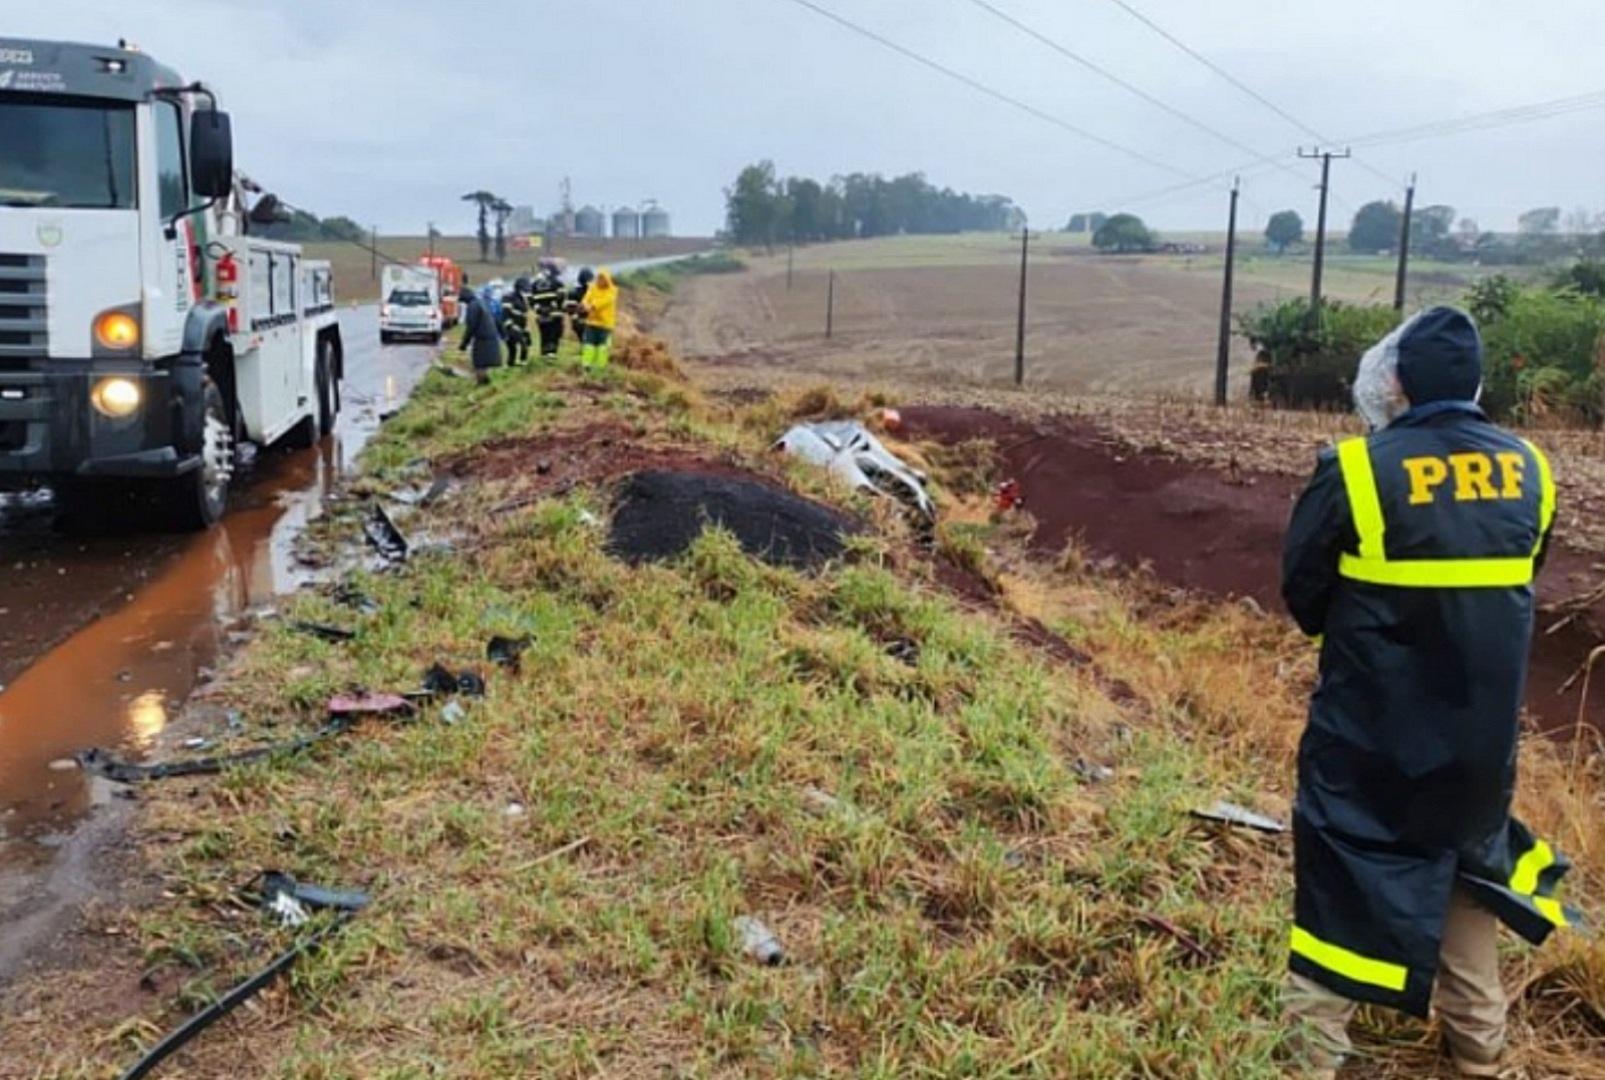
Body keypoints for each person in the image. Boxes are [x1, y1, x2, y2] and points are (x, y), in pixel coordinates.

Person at [1281, 307, 1577, 1078]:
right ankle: (1481, 1057)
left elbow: (1303, 595)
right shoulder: (1530, 471)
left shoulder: (1354, 470)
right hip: (1475, 752)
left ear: (1397, 381)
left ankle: (1312, 1056)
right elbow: (1515, 584)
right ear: (1474, 383)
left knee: (1338, 896)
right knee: (1463, 885)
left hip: (1368, 742)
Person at [457, 285, 502, 384]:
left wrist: (464, 344)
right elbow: (496, 320)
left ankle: (481, 383)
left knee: (480, 363)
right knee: (486, 364)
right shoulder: (482, 303)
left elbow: (471, 327)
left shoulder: (472, 306)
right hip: (491, 337)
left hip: (483, 339)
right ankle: (486, 382)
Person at [578, 268, 618, 369]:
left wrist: (590, 306)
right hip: (591, 323)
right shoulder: (592, 288)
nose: (600, 281)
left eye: (603, 279)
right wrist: (584, 305)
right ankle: (586, 366)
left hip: (605, 325)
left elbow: (602, 303)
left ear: (608, 280)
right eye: (599, 278)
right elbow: (586, 298)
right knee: (589, 345)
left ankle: (600, 367)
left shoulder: (612, 291)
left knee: (602, 347)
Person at [531, 260, 566, 359]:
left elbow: (531, 300)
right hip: (555, 315)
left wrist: (538, 309)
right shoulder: (558, 283)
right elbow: (561, 298)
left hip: (541, 315)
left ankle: (544, 354)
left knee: (544, 335)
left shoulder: (535, 284)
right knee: (554, 334)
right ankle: (551, 353)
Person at [501, 276, 532, 366]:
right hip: (510, 326)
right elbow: (505, 314)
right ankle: (514, 364)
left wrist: (527, 329)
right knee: (513, 348)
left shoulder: (523, 299)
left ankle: (520, 364)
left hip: (521, 325)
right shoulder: (508, 297)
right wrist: (512, 326)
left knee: (524, 345)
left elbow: (525, 314)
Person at [568, 266, 595, 343]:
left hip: (588, 320)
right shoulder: (575, 292)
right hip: (581, 320)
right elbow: (571, 309)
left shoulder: (574, 291)